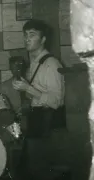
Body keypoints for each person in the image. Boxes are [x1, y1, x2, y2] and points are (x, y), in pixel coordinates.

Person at [12, 19, 65, 180]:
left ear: (43, 40)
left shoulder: (51, 64)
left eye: (32, 35)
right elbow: (39, 95)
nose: (27, 39)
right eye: (25, 35)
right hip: (36, 123)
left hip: (47, 126)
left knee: (39, 171)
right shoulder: (33, 64)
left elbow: (56, 101)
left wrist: (27, 88)